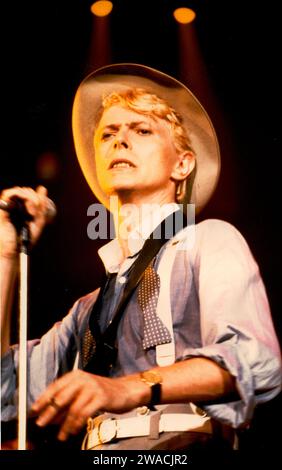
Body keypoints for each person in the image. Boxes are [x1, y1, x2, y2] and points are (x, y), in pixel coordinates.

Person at [1, 64, 281, 452]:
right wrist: (5, 255)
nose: (120, 141)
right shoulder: (87, 310)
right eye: (109, 134)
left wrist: (123, 389)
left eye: (142, 130)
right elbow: (3, 389)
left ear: (181, 165)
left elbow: (252, 360)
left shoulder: (208, 241)